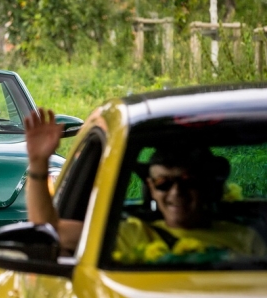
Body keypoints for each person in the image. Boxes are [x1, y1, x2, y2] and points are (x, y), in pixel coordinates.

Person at [23, 108, 267, 261]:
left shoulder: (246, 239)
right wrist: (37, 163)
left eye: (187, 181)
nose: (176, 192)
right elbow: (47, 228)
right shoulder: (129, 235)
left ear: (205, 185)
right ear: (151, 187)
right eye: (163, 183)